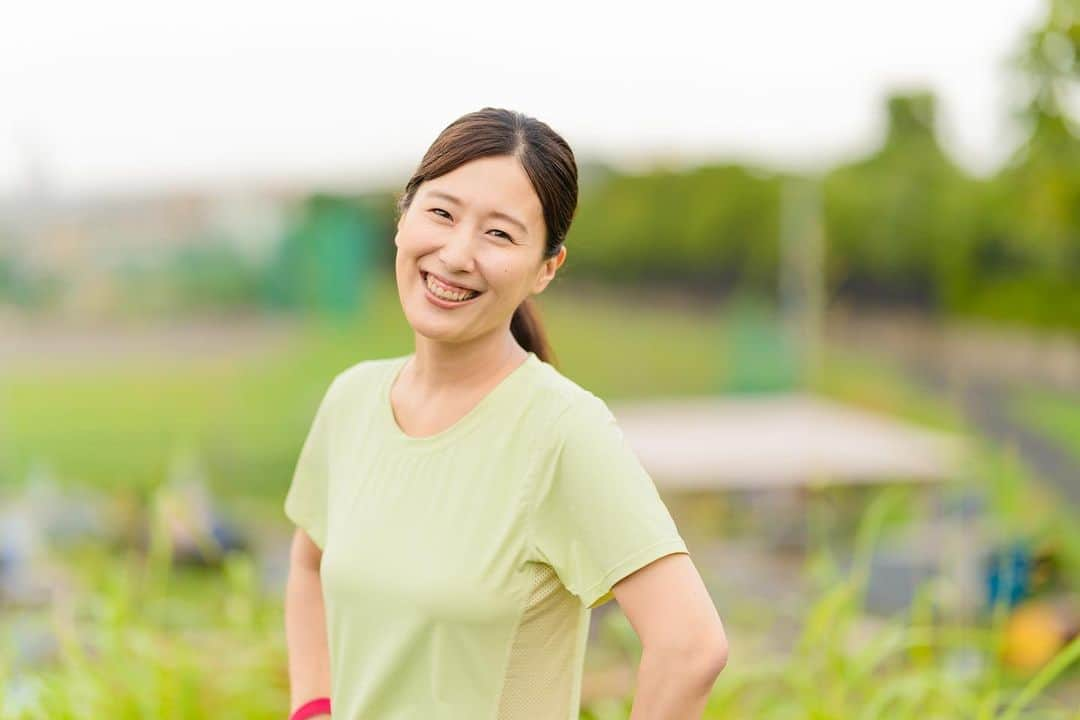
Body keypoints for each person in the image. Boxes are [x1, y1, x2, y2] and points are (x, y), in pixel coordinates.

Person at [283, 107, 728, 720]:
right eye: (441, 212)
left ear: (546, 268)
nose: (458, 253)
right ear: (402, 217)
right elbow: (310, 562)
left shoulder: (561, 430)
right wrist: (312, 708)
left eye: (499, 234)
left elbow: (690, 648)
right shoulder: (352, 400)